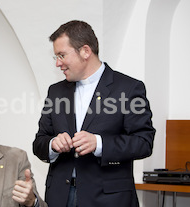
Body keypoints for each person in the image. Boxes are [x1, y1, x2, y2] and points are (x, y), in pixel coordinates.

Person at [33, 20, 155, 207]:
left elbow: (144, 142)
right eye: (56, 57)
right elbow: (39, 142)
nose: (58, 63)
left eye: (61, 55)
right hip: (60, 197)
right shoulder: (55, 92)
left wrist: (99, 143)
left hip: (109, 200)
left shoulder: (129, 88)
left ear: (85, 51)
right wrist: (52, 145)